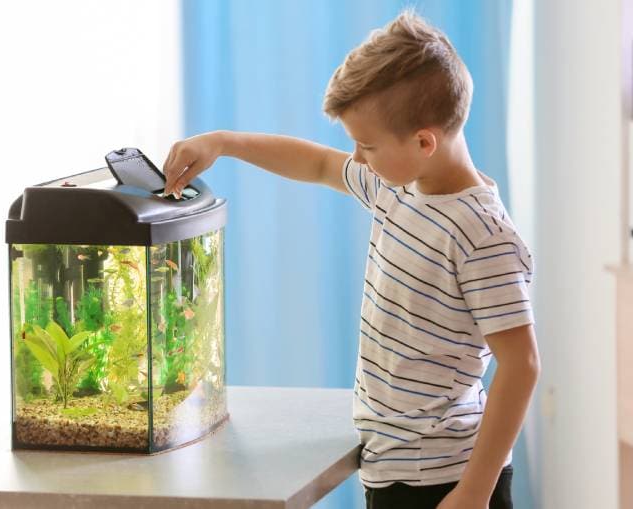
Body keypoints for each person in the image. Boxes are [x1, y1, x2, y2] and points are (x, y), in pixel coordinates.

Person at [162, 9, 539, 509]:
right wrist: (223, 144)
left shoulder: (481, 234)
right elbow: (317, 163)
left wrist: (474, 491)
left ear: (424, 141)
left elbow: (522, 364)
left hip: (447, 480)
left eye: (366, 145)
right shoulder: (398, 188)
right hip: (391, 466)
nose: (357, 159)